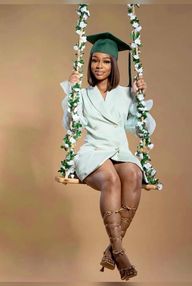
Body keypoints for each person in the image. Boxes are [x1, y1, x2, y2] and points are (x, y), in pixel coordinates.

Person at [60, 32, 156, 281]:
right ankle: (120, 252)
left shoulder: (125, 94)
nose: (99, 66)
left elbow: (141, 128)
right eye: (95, 61)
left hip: (118, 151)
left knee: (134, 173)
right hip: (92, 153)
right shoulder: (81, 95)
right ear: (89, 64)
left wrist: (140, 98)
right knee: (111, 180)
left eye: (105, 61)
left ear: (113, 65)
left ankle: (112, 249)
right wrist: (70, 92)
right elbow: (72, 127)